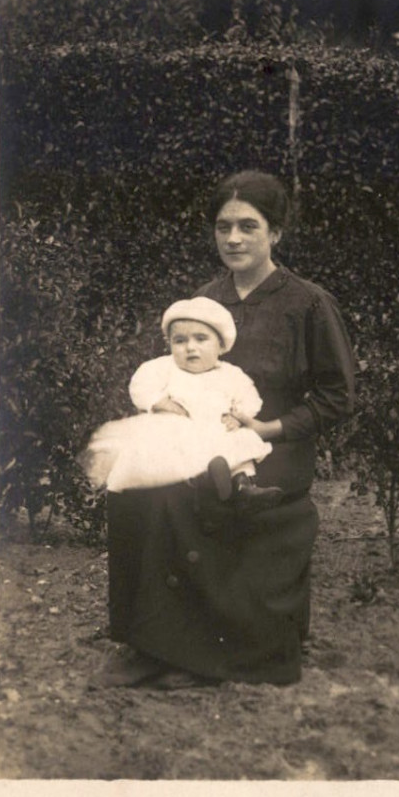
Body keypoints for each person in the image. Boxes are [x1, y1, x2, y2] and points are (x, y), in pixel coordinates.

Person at [98, 170, 355, 689]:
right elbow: (171, 371)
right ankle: (145, 638)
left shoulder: (307, 303)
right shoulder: (206, 300)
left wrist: (272, 426)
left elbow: (339, 396)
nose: (233, 238)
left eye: (248, 226)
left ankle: (193, 653)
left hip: (271, 444)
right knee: (129, 488)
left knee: (191, 495)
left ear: (275, 232)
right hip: (198, 436)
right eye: (223, 227)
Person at [78, 296, 282, 508]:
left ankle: (243, 486)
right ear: (170, 344)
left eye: (201, 339)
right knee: (171, 455)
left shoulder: (231, 374)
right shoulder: (162, 368)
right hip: (176, 430)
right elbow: (140, 386)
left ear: (221, 346)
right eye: (180, 340)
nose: (190, 347)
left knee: (239, 442)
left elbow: (249, 397)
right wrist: (158, 402)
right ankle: (203, 483)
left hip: (217, 429)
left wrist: (237, 417)